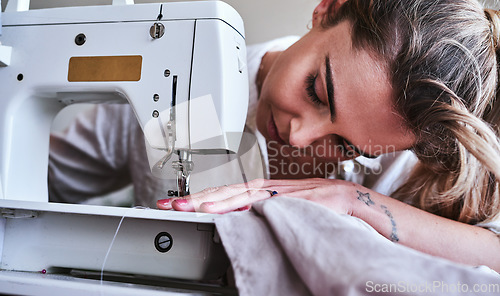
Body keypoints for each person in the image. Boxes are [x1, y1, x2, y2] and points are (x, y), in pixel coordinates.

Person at [49, 0, 500, 272]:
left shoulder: (412, 163)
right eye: (316, 91)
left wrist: (351, 199)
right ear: (328, 8)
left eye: (348, 146)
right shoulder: (176, 94)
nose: (300, 138)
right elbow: (46, 178)